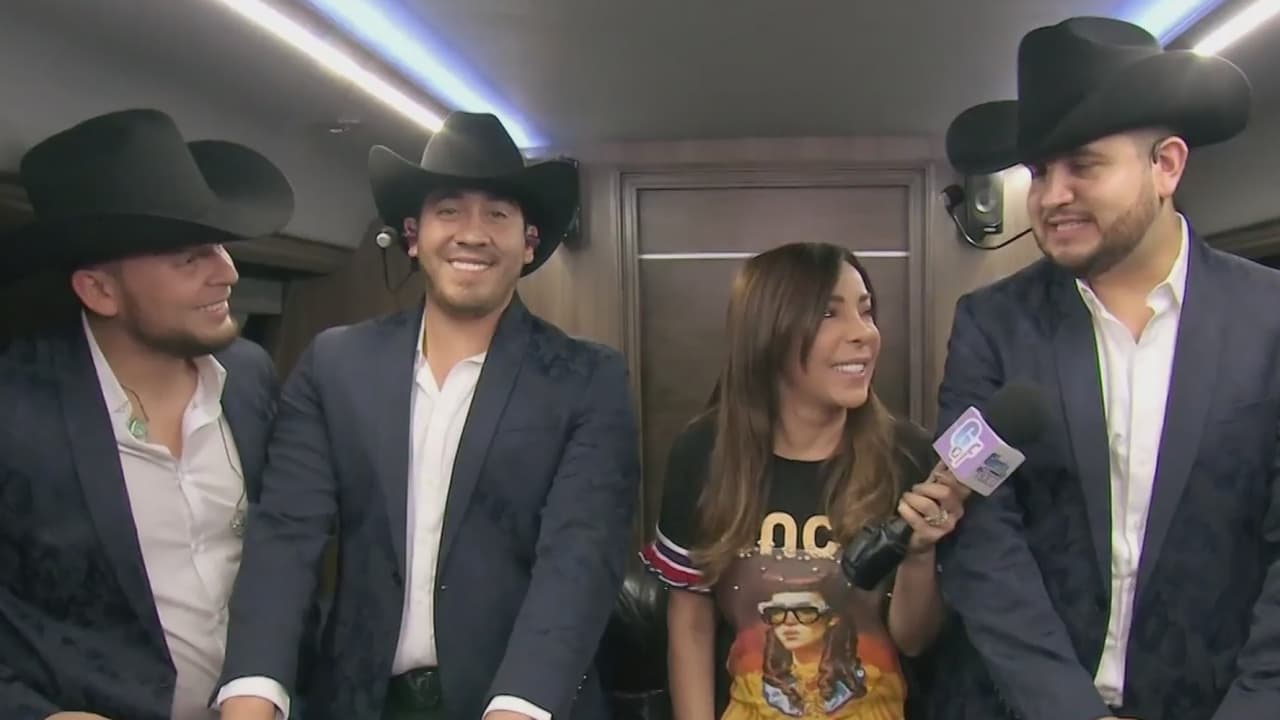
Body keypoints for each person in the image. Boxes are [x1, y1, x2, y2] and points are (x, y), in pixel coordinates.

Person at [214, 111, 641, 720]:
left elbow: (580, 557)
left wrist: (519, 706)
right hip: (360, 702)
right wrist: (253, 692)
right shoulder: (336, 365)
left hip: (521, 702)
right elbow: (287, 534)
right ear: (413, 236)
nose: (473, 233)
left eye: (497, 214)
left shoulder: (586, 379)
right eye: (449, 211)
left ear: (529, 243)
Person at [930, 16, 1280, 720]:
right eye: (1039, 172)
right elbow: (979, 534)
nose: (1051, 195)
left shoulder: (1268, 319)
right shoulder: (992, 325)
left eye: (1082, 166)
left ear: (1166, 165)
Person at [0, 109, 294, 720]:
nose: (228, 272)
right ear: (100, 291)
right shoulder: (15, 409)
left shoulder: (250, 377)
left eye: (220, 247)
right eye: (189, 258)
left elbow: (281, 558)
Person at [641, 242, 968, 720]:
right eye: (829, 314)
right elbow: (690, 622)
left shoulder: (909, 454)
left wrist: (920, 554)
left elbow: (914, 642)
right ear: (769, 333)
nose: (863, 333)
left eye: (866, 311)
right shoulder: (703, 453)